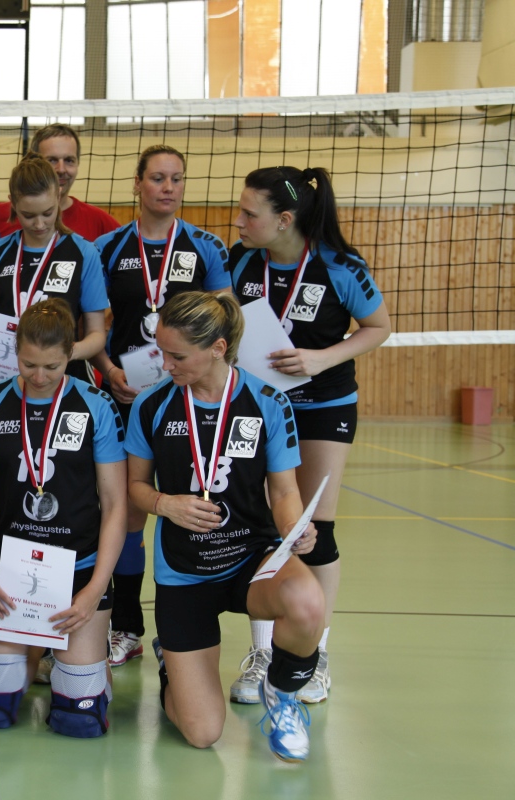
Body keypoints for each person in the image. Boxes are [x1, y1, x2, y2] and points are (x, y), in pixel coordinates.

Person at [123, 291, 325, 761]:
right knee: (202, 733)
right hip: (185, 573)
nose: (165, 364)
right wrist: (166, 504)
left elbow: (284, 492)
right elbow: (135, 486)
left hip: (252, 559)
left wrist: (295, 529)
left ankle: (283, 694)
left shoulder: (268, 402)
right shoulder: (151, 406)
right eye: (161, 352)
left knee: (307, 601)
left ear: (217, 348)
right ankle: (172, 665)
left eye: (177, 356)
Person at [226, 166, 390, 706]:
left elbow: (378, 327)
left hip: (322, 407)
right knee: (261, 526)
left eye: (249, 213)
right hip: (259, 408)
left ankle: (313, 654)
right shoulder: (241, 260)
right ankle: (264, 652)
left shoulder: (340, 266)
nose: (239, 221)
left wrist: (321, 358)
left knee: (313, 529)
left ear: (284, 219)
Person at [0, 299, 127, 738]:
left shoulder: (97, 406)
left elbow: (115, 504)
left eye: (51, 366)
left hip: (79, 570)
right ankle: (37, 650)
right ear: (15, 351)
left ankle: (82, 654)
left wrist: (94, 591)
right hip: (10, 574)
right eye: (28, 364)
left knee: (80, 721)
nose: (38, 377)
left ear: (70, 353)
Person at [90, 145, 231, 669]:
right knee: (127, 512)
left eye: (176, 178)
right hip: (127, 395)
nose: (167, 187)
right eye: (157, 178)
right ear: (137, 183)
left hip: (187, 400)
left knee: (186, 503)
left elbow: (228, 323)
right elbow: (91, 324)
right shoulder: (107, 247)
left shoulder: (206, 247)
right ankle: (127, 625)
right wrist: (109, 371)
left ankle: (180, 629)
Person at [0, 154, 109, 388]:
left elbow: (97, 335)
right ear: (13, 203)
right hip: (7, 377)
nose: (39, 224)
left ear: (58, 196)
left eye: (48, 213)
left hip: (66, 377)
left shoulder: (84, 253)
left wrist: (63, 353)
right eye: (28, 215)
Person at [0, 124, 119, 241]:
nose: (61, 169)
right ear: (33, 163)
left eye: (69, 160)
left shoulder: (100, 222)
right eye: (52, 160)